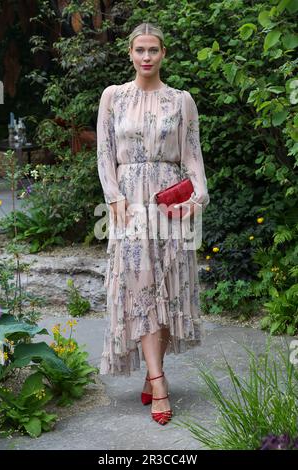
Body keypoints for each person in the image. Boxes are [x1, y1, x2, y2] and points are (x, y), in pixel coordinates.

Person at [96, 22, 210, 426]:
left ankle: (151, 372)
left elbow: (193, 155)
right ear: (130, 53)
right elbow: (104, 153)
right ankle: (159, 383)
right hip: (130, 203)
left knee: (167, 287)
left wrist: (198, 198)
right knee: (140, 286)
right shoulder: (113, 97)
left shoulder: (181, 101)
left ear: (164, 54)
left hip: (169, 202)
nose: (146, 57)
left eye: (153, 50)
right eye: (140, 50)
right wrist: (115, 199)